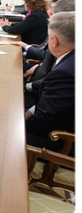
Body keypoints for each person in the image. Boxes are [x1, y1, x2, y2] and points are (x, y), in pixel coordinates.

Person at [25, 11, 79, 158]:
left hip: (67, 142)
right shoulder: (73, 58)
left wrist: (13, 121)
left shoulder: (66, 73)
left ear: (53, 41)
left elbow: (43, 123)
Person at [17, 0, 79, 110]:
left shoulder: (66, 68)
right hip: (39, 86)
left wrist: (25, 87)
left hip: (39, 94)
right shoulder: (70, 50)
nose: (49, 12)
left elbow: (45, 114)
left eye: (52, 9)